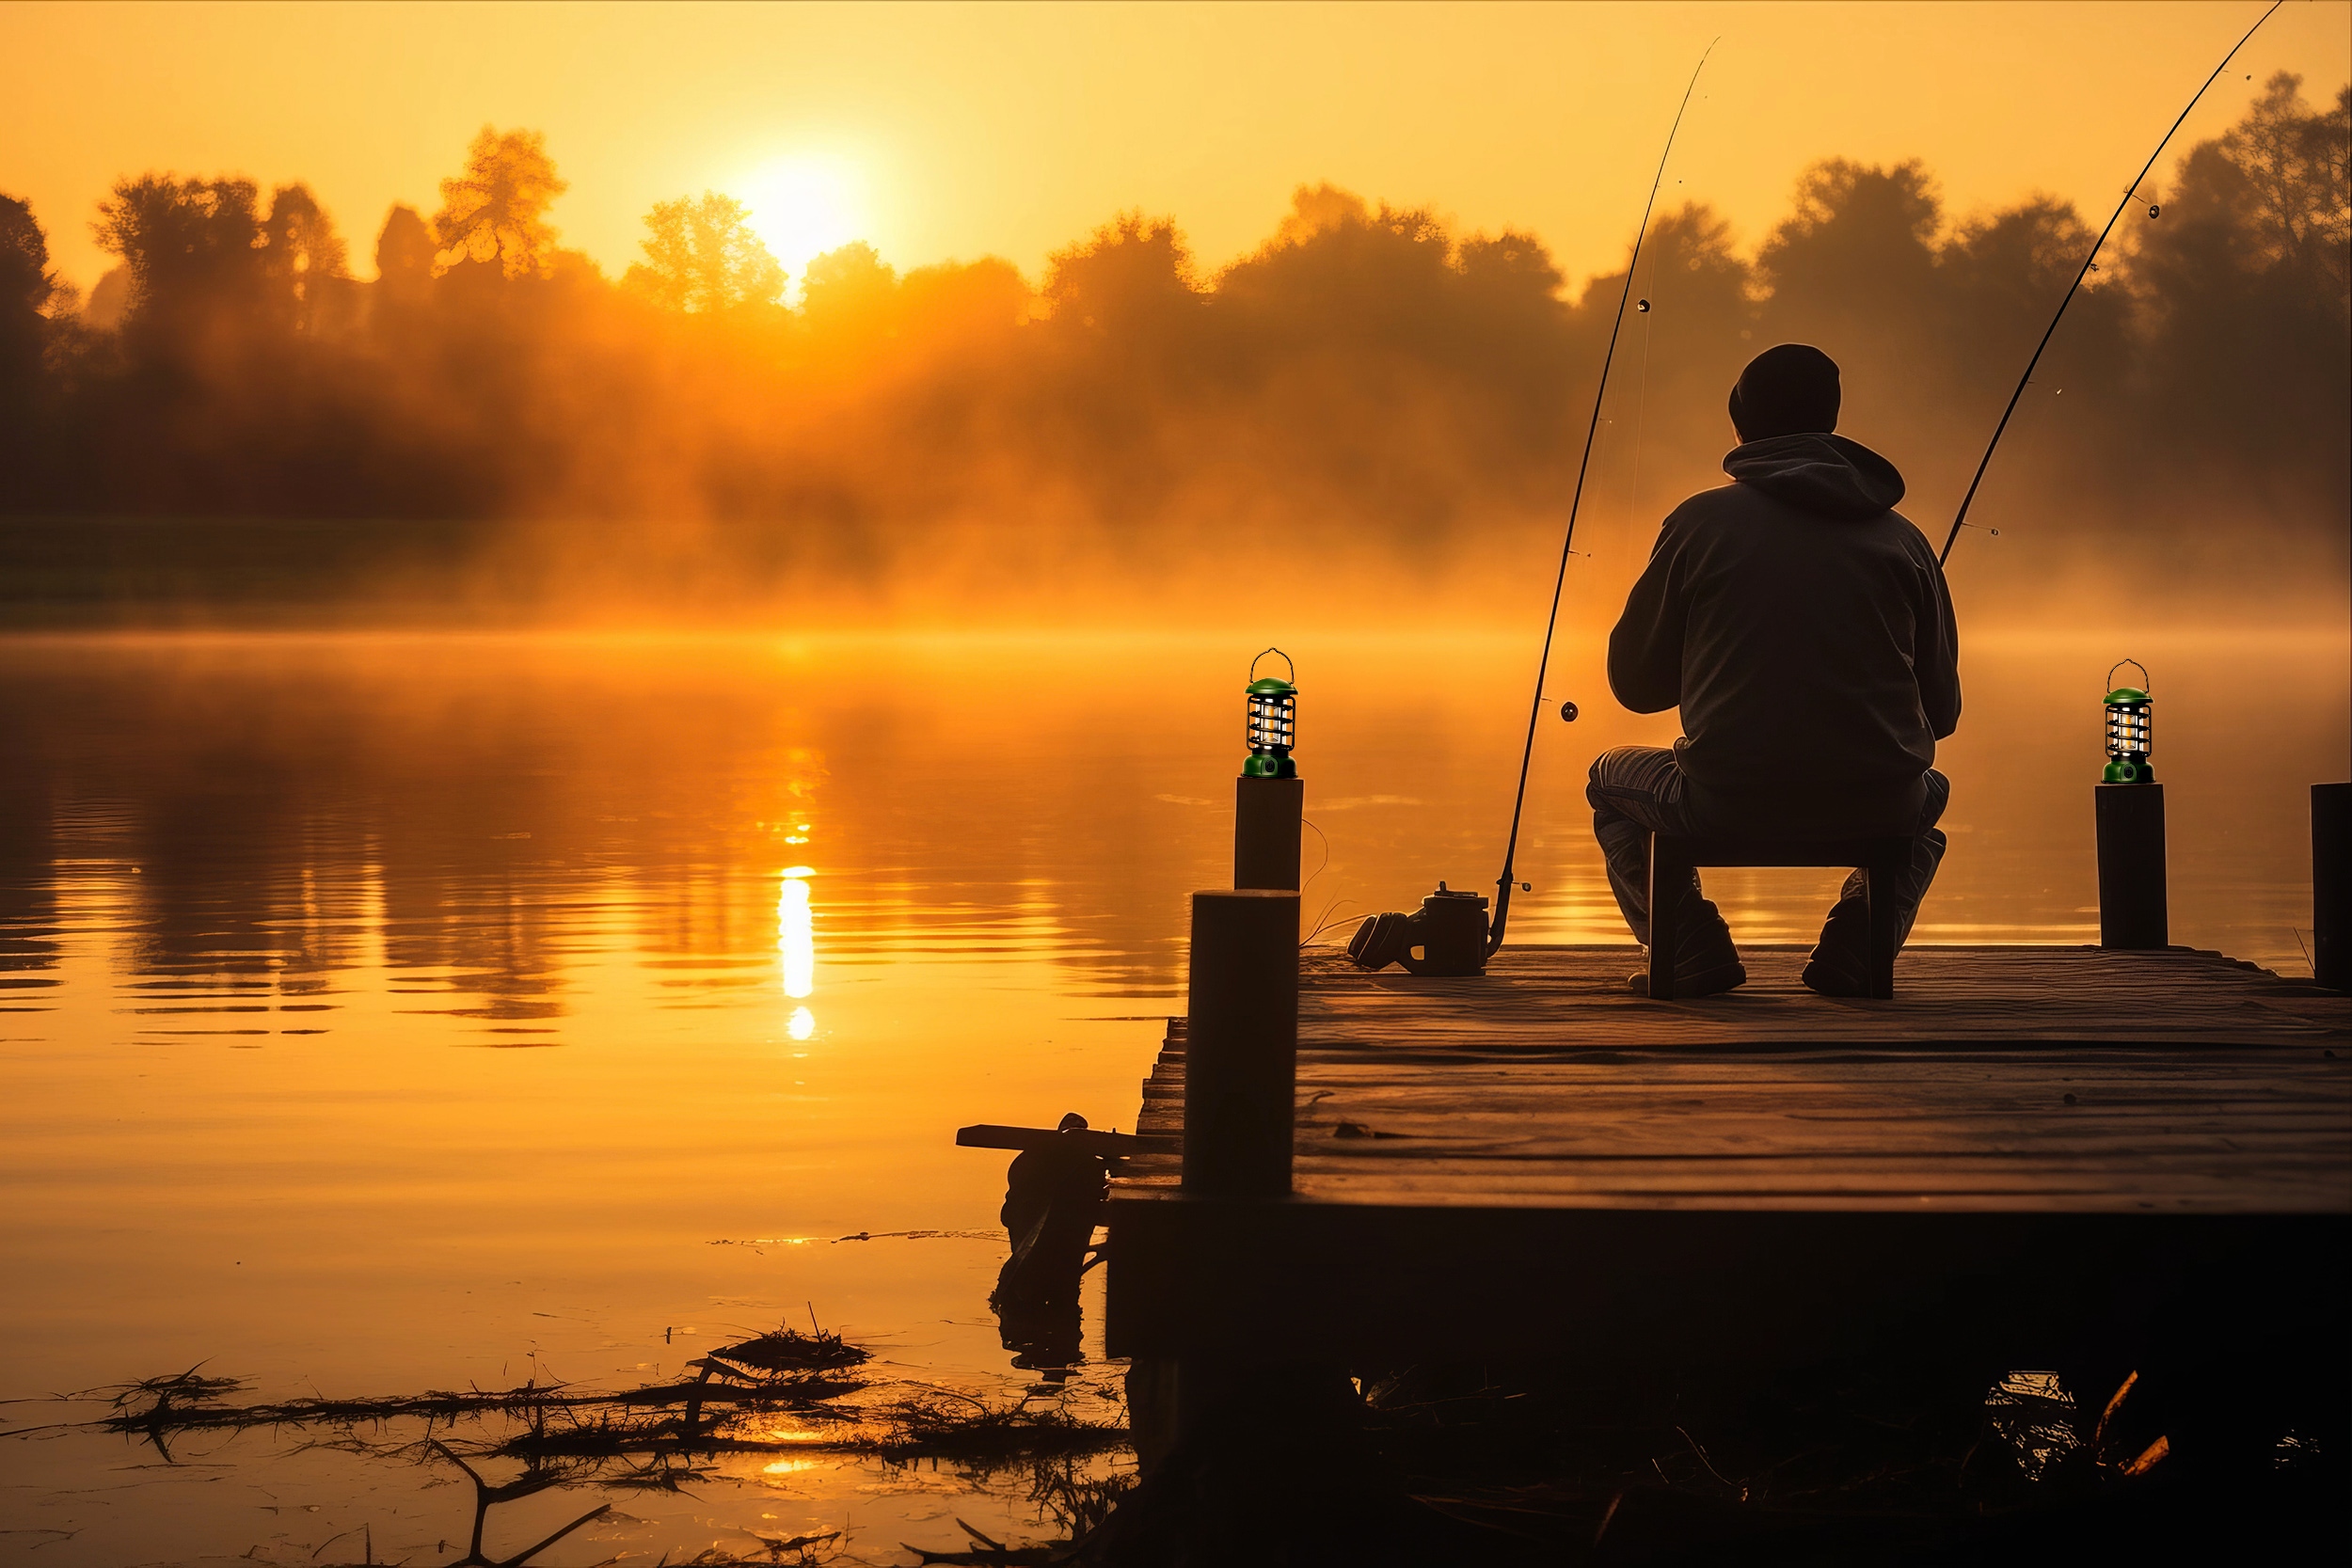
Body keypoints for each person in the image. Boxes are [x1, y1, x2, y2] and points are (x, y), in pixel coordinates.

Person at [1590, 343, 1959, 997]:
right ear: (1832, 421)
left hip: (1725, 797)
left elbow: (1635, 688)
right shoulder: (1905, 540)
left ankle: (1689, 944)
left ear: (1740, 422)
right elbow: (1944, 715)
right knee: (1928, 798)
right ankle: (1854, 946)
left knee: (1607, 782)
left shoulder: (1698, 523)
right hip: (1878, 799)